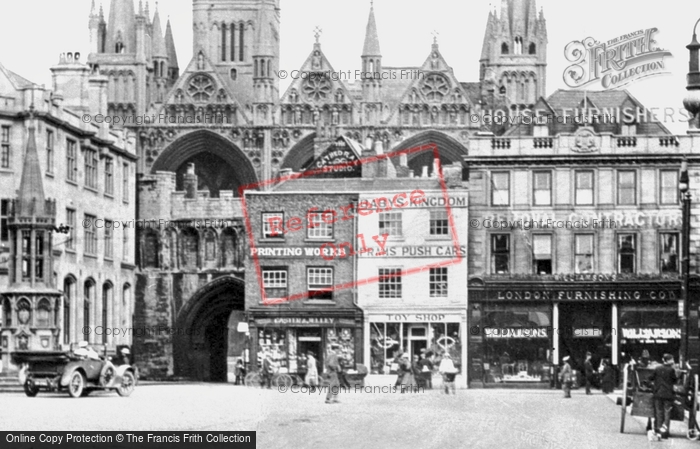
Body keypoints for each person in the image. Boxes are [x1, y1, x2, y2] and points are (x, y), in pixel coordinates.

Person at [649, 353, 678, 440]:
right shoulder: (671, 370)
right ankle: (665, 432)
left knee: (658, 412)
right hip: (668, 395)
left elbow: (650, 378)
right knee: (667, 413)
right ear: (669, 361)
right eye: (671, 359)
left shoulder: (657, 368)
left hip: (658, 393)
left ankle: (658, 430)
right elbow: (675, 380)